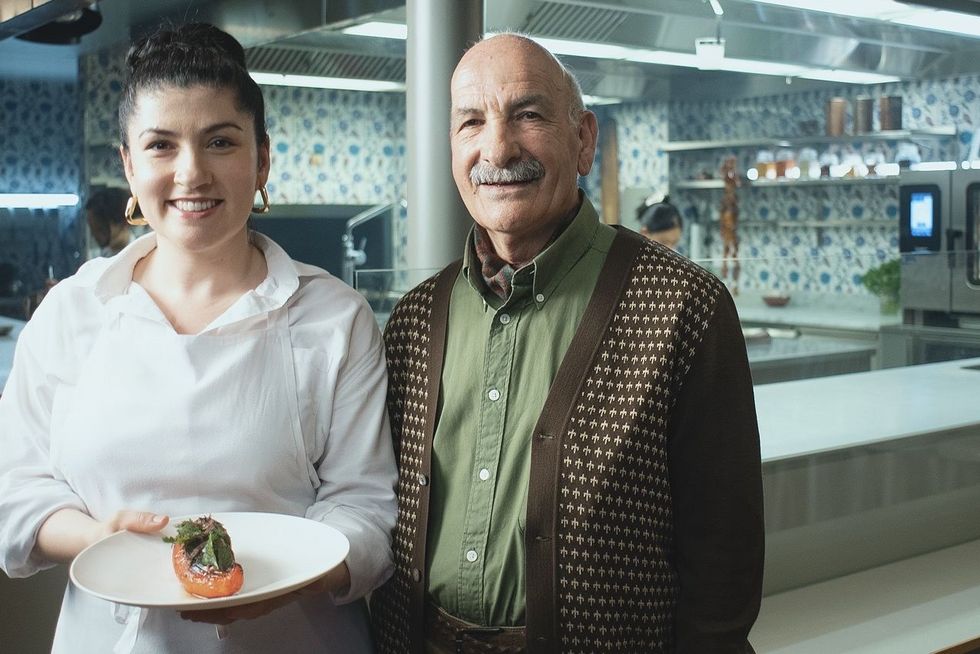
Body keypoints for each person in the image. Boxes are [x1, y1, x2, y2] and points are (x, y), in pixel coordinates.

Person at [0, 22, 396, 653]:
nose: (191, 172)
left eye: (219, 141)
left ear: (262, 157)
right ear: (128, 164)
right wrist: (95, 536)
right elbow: (15, 490)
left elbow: (367, 507)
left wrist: (284, 579)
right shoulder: (72, 313)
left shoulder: (335, 319)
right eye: (160, 145)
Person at [371, 33, 764, 654]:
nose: (496, 147)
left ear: (583, 138)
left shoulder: (683, 306)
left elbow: (725, 553)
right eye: (471, 122)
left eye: (527, 115)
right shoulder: (416, 319)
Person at [86, 186, 134, 257]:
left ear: (121, 223)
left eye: (100, 229)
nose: (95, 236)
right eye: (93, 230)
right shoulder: (100, 257)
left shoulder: (138, 254)